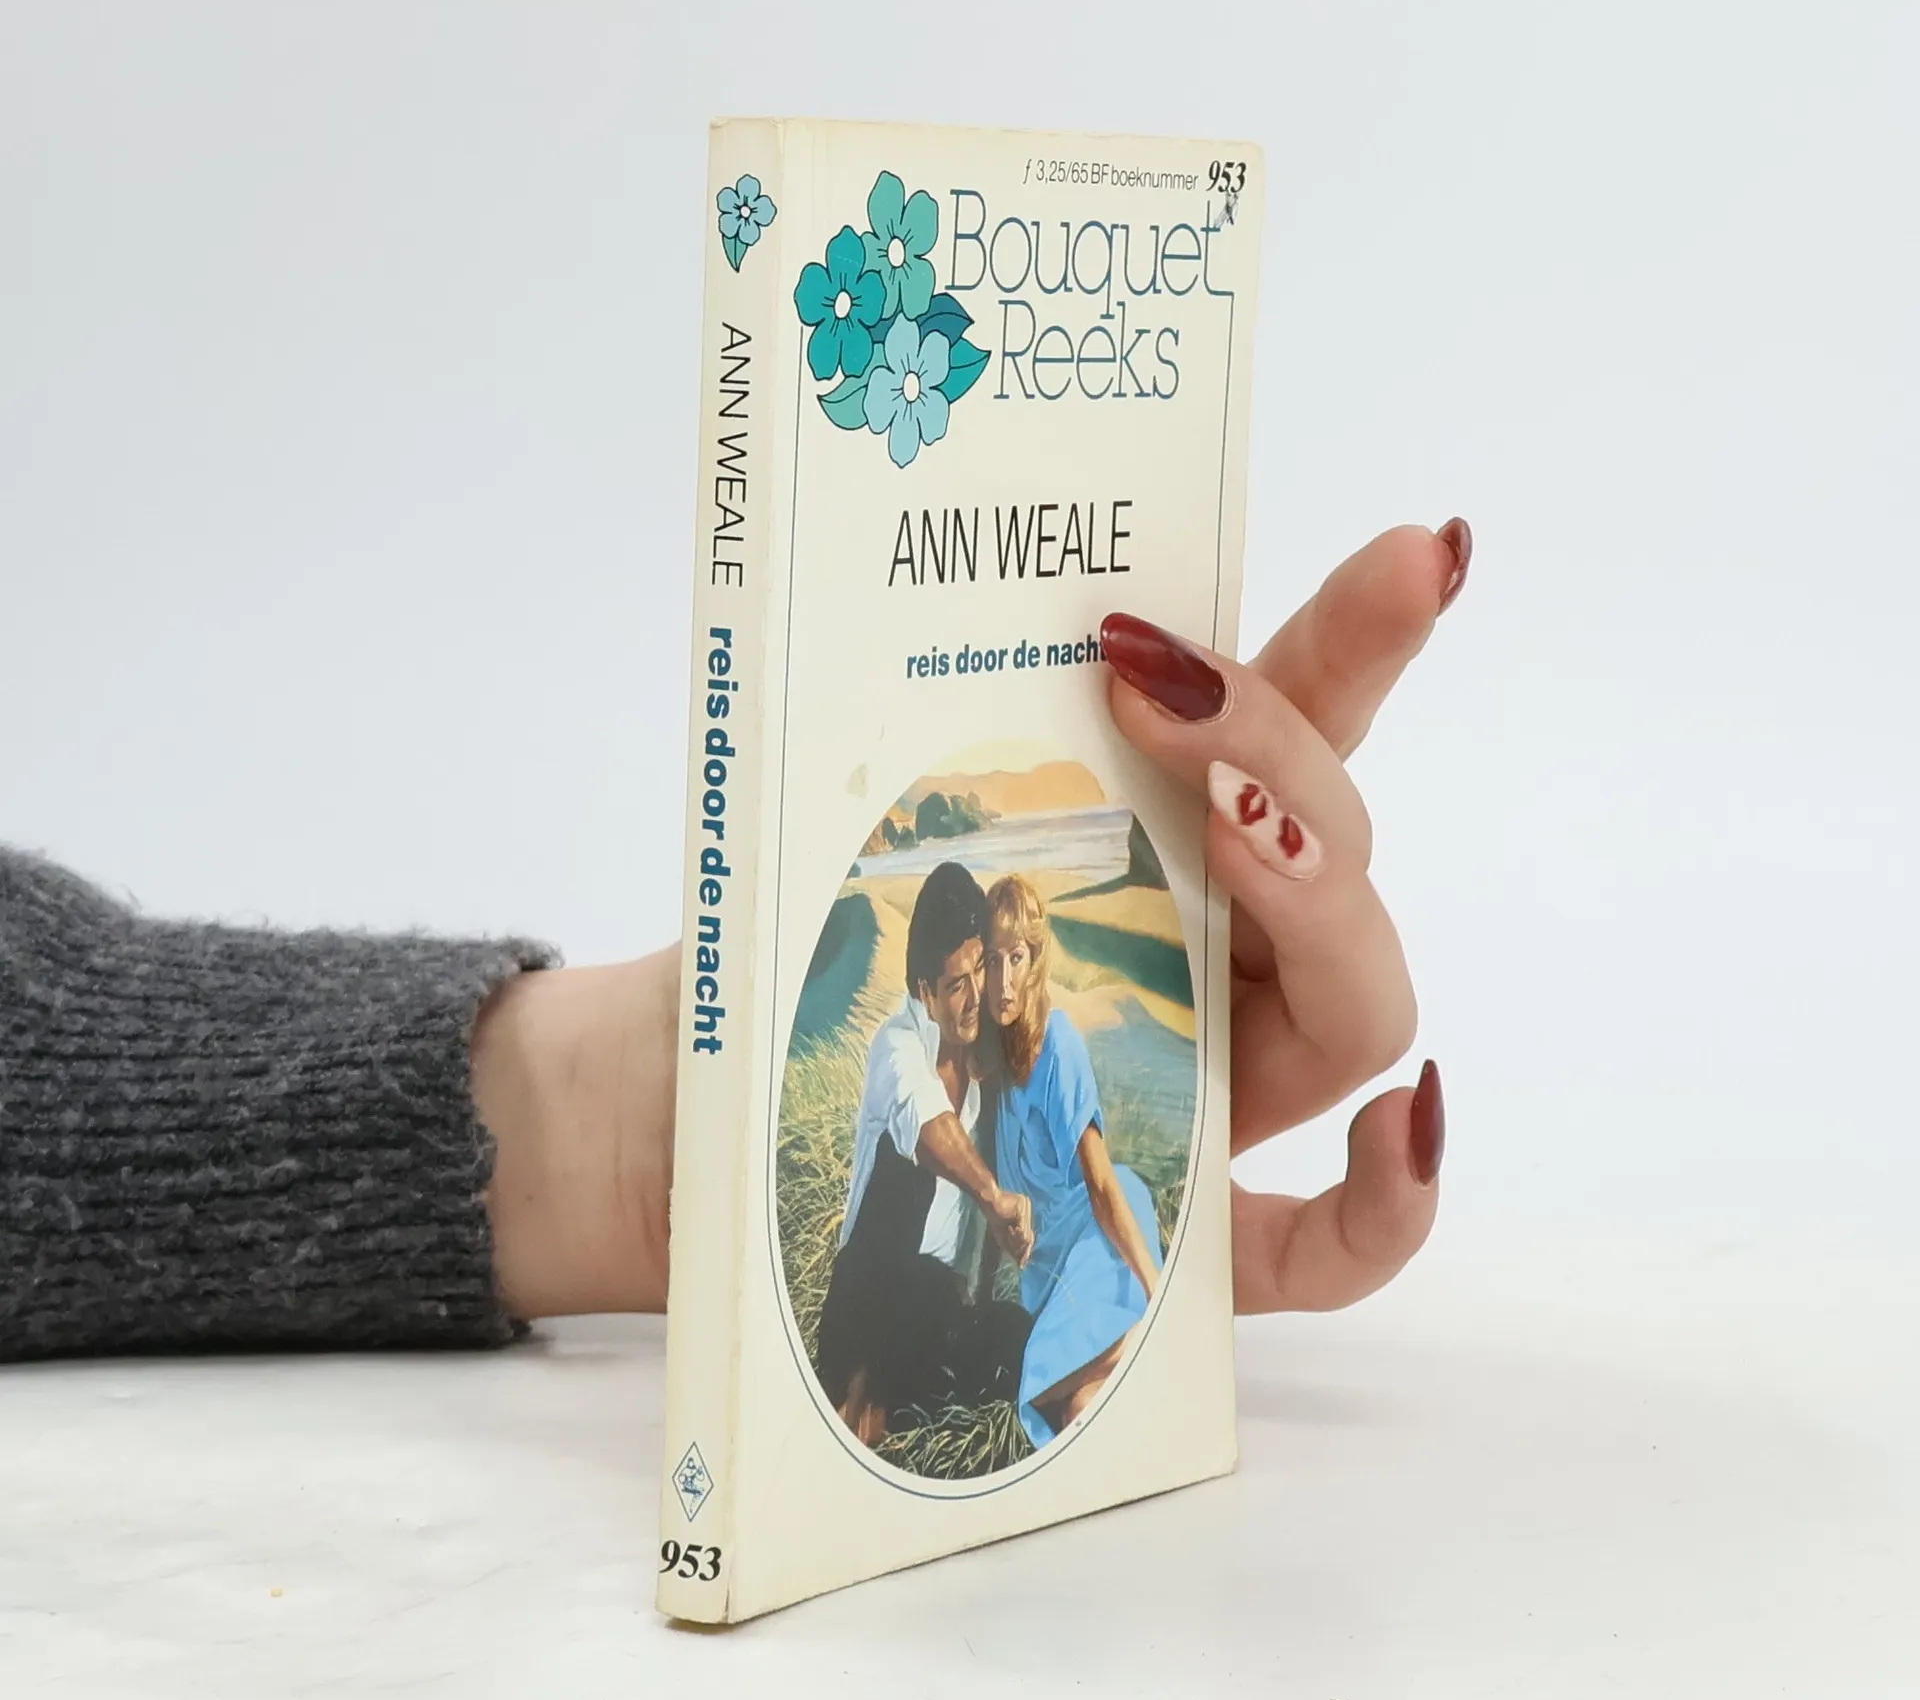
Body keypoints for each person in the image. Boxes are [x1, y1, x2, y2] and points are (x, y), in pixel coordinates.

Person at [0, 522, 1465, 1362]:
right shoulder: (908, 1054)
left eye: (1006, 960)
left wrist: (610, 1124)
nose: (991, 983)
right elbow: (943, 1154)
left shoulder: (1031, 1055)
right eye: (975, 965)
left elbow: (1068, 1158)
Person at [812, 862, 1036, 1446]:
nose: (973, 997)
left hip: (934, 1313)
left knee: (1018, 1338)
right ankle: (858, 1406)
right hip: (868, 1305)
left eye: (979, 971)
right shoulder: (897, 1045)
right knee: (905, 1174)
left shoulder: (984, 1059)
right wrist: (992, 1197)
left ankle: (897, 1411)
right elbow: (927, 1121)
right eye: (955, 984)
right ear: (924, 992)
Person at [982, 873, 1162, 1445]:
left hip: (1097, 1240)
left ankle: (1151, 1334)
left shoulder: (1058, 1043)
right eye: (992, 961)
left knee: (1038, 1391)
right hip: (1047, 1268)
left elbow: (1102, 1184)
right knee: (1077, 1407)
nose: (1003, 981)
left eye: (1016, 958)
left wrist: (1159, 1293)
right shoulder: (995, 1055)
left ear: (1036, 960)